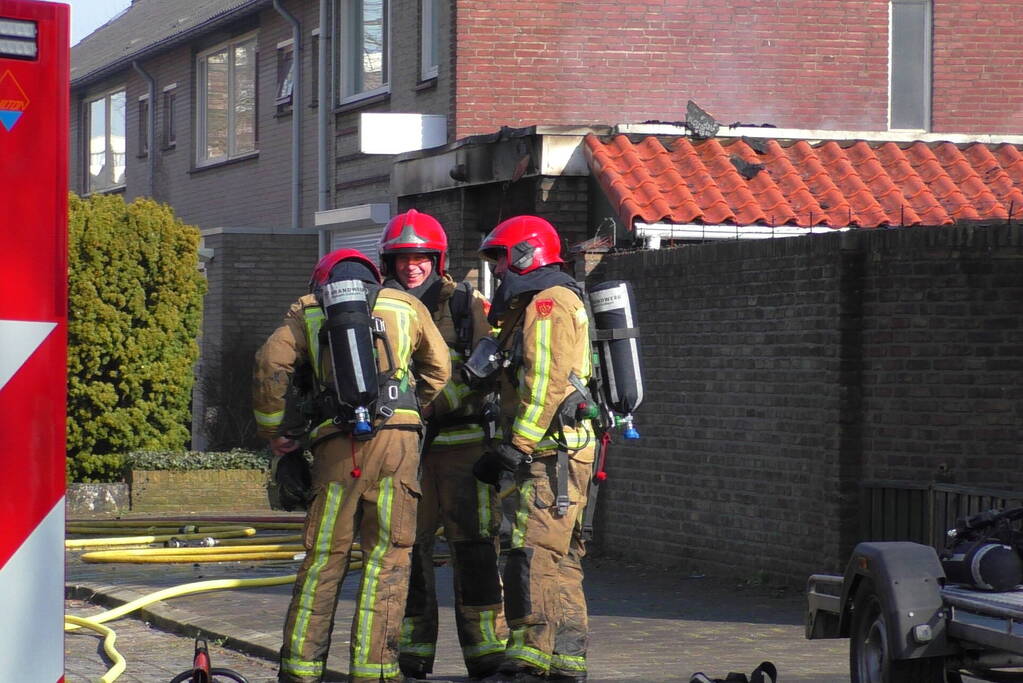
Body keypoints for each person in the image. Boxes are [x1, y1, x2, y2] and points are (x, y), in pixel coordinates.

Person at [252, 248, 450, 683]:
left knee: (325, 557)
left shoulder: (307, 310)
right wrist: (410, 409)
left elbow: (271, 364)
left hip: (337, 446)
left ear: (322, 281)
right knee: (388, 558)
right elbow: (439, 369)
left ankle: (301, 669)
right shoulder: (406, 304)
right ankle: (374, 669)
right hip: (398, 446)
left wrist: (277, 432)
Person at [378, 209, 508, 679]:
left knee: (474, 546)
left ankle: (486, 649)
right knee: (407, 548)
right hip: (407, 451)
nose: (412, 267)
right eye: (403, 259)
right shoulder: (382, 305)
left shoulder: (462, 302)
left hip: (461, 448)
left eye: (421, 258)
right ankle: (412, 649)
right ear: (388, 262)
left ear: (437, 259)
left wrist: (434, 404)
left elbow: (485, 365)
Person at [471, 215, 595, 683]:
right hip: (561, 452)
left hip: (549, 456)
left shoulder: (547, 304)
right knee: (560, 559)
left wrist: (515, 445)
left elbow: (546, 380)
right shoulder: (537, 304)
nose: (498, 270)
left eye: (501, 259)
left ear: (525, 254)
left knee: (532, 555)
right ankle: (566, 663)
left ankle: (529, 660)